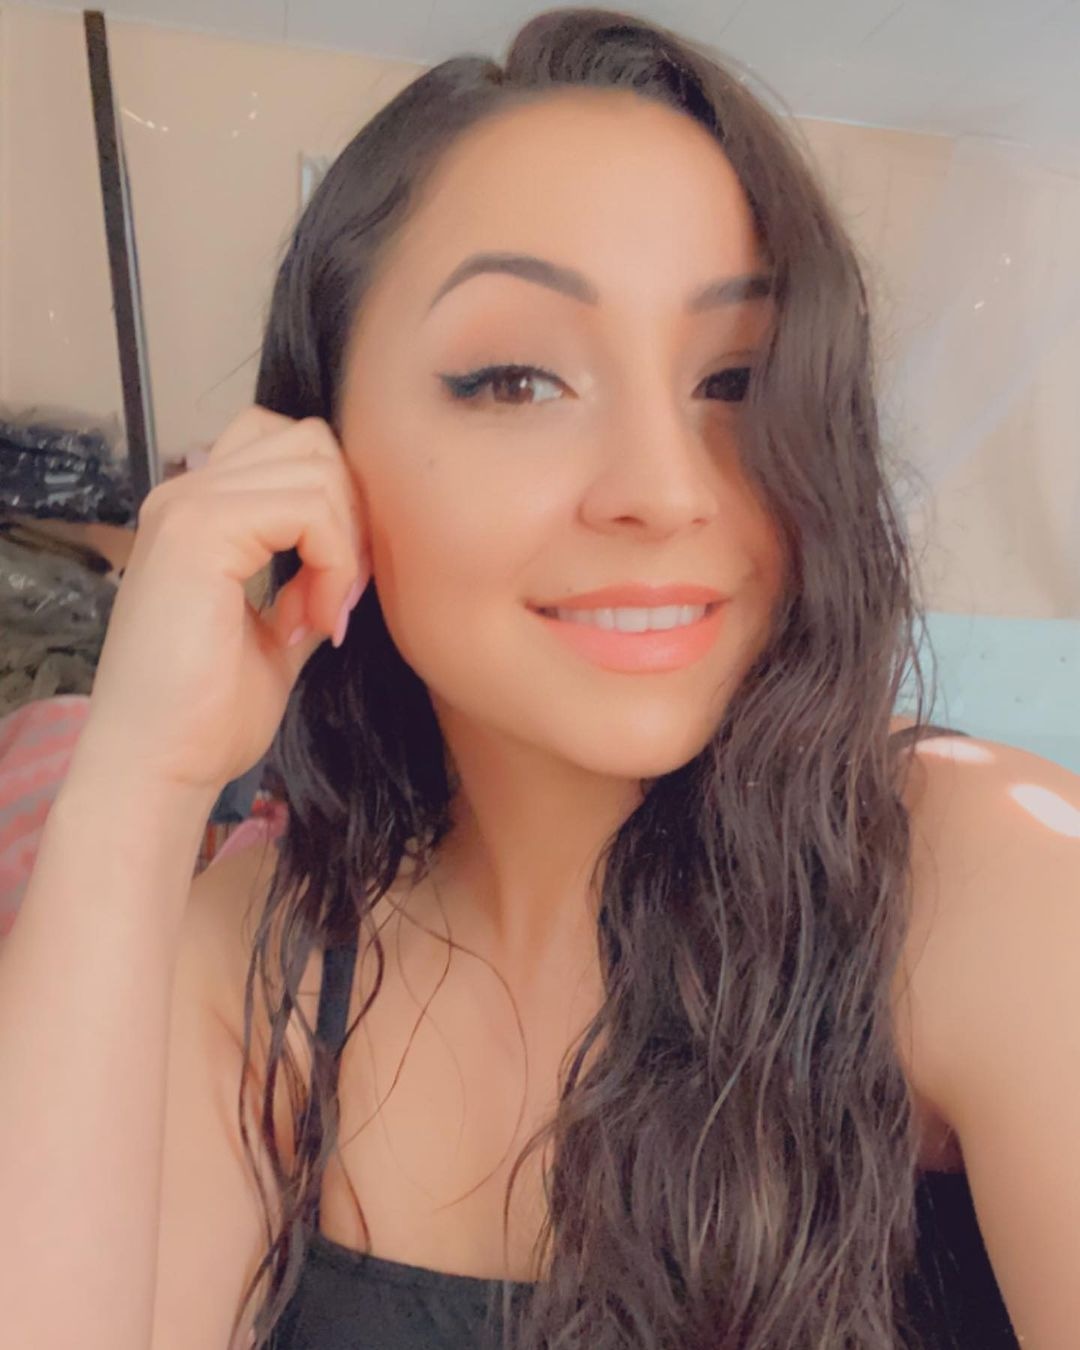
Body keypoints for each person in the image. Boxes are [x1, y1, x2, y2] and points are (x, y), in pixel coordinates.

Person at [2, 7, 1078, 1349]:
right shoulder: (254, 961)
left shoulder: (983, 882)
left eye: (736, 379)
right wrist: (136, 783)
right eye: (517, 380)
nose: (664, 491)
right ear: (320, 451)